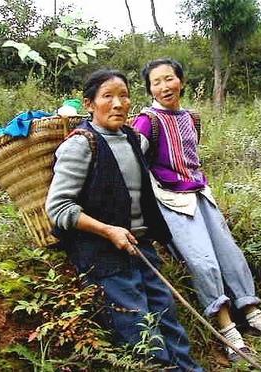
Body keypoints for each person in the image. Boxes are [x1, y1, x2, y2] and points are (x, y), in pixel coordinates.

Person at [46, 69, 203, 371]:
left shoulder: (132, 138)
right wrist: (108, 231)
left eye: (124, 96)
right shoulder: (80, 145)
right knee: (141, 333)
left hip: (140, 247)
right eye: (108, 97)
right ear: (89, 104)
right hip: (103, 254)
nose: (118, 103)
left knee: (170, 323)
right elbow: (58, 208)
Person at [133, 58, 261, 361]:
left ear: (180, 81)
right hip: (171, 200)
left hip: (200, 193)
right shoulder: (147, 121)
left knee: (230, 254)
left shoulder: (192, 118)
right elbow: (133, 158)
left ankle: (250, 309)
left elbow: (191, 154)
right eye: (155, 82)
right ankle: (227, 329)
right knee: (202, 261)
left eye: (168, 79)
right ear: (150, 90)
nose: (163, 87)